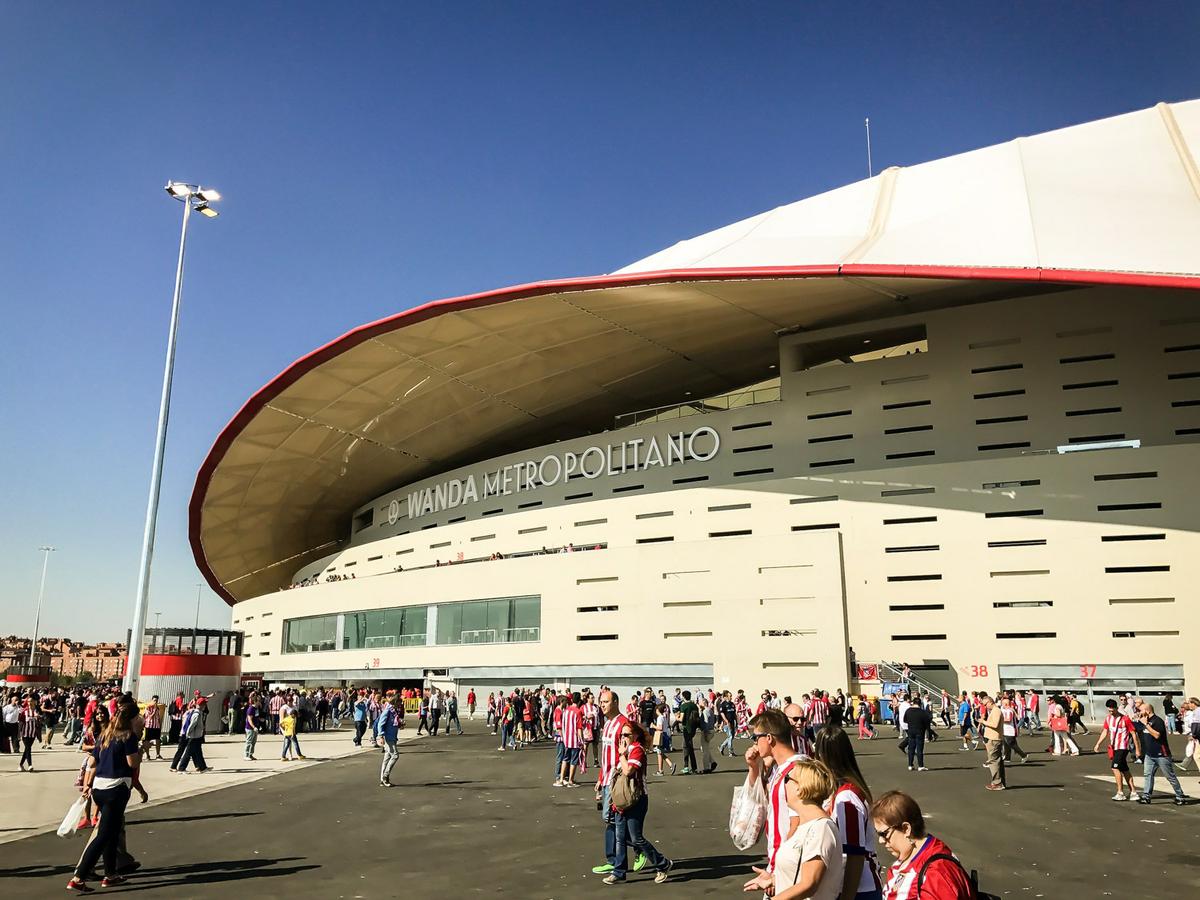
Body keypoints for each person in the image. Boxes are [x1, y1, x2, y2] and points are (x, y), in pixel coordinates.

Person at [66, 703, 142, 892]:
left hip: (100, 786)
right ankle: (79, 876)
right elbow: (132, 763)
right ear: (132, 719)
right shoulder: (128, 736)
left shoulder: (105, 734)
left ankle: (111, 874)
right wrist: (141, 750)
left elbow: (92, 760)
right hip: (116, 788)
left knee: (112, 832)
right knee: (104, 835)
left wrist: (88, 783)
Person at [743, 758, 843, 900]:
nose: (782, 785)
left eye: (786, 779)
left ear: (800, 787)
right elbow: (801, 873)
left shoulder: (821, 828)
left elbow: (809, 884)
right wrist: (775, 880)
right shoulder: (807, 826)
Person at [813, 726, 883, 900]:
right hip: (850, 885)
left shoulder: (847, 797)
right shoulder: (843, 791)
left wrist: (846, 897)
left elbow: (854, 854)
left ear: (823, 756)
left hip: (858, 889)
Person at [603, 720, 673, 884]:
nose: (623, 737)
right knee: (620, 837)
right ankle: (619, 871)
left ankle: (662, 863)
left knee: (636, 838)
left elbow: (628, 771)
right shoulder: (625, 750)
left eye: (626, 735)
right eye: (622, 734)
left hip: (637, 799)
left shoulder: (637, 750)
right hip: (621, 799)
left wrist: (621, 755)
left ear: (635, 735)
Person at [871, 791, 974, 900]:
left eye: (884, 834)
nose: (881, 841)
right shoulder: (910, 857)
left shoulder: (936, 873)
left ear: (906, 829)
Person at [744, 708, 807, 883]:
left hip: (790, 868)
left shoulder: (794, 772)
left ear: (769, 738)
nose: (755, 743)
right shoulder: (783, 769)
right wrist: (754, 767)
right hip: (783, 865)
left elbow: (799, 823)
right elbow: (758, 798)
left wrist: (777, 870)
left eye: (756, 737)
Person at [1135, 701, 1188, 805]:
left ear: (1147, 710)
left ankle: (1180, 796)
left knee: (1170, 776)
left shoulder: (1157, 721)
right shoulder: (1144, 720)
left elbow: (1157, 735)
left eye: (1140, 710)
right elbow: (1135, 728)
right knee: (1148, 775)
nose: (1139, 712)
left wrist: (1146, 724)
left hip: (1161, 754)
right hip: (1150, 755)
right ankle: (1146, 796)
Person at [1094, 698, 1140, 801]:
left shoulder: (1125, 719)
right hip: (1114, 747)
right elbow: (1105, 732)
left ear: (1116, 708)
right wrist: (1098, 744)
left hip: (1123, 747)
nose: (1111, 712)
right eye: (1109, 710)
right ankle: (1133, 792)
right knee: (1124, 769)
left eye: (1112, 710)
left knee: (1115, 768)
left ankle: (1120, 792)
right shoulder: (1108, 719)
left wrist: (1137, 749)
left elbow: (1133, 733)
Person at [979, 693, 1006, 791]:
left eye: (985, 704)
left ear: (990, 702)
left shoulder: (996, 711)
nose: (985, 707)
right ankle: (999, 782)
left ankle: (997, 783)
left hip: (994, 739)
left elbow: (995, 724)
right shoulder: (994, 711)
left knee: (993, 761)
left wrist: (983, 722)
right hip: (992, 738)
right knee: (996, 761)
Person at [376, 692, 403, 787]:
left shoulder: (393, 712)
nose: (400, 705)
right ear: (395, 702)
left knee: (387, 758)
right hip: (388, 737)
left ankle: (381, 779)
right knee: (395, 755)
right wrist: (381, 736)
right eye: (399, 703)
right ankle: (385, 776)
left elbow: (394, 723)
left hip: (393, 736)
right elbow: (380, 723)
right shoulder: (387, 711)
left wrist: (400, 724)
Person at [902, 695, 931, 771]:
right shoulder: (922, 712)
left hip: (911, 730)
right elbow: (927, 723)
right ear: (920, 704)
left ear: (913, 703)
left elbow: (905, 720)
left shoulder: (908, 710)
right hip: (920, 731)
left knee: (911, 748)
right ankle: (920, 766)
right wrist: (929, 733)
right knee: (919, 749)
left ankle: (910, 765)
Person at [678, 690, 700, 774]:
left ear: (684, 697)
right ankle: (693, 767)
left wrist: (677, 717)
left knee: (686, 747)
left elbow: (681, 719)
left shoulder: (684, 706)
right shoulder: (694, 705)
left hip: (686, 728)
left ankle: (687, 766)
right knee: (689, 747)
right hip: (693, 728)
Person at [652, 702, 677, 776]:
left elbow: (660, 728)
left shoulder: (660, 718)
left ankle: (661, 770)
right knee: (660, 752)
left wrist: (653, 726)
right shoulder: (664, 717)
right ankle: (670, 764)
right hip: (665, 735)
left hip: (661, 735)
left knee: (659, 752)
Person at [139, 696, 165, 761]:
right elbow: (149, 717)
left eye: (156, 700)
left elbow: (158, 717)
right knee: (147, 741)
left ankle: (158, 754)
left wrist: (160, 724)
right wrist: (154, 710)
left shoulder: (158, 708)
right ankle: (148, 755)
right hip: (149, 726)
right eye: (154, 700)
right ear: (152, 700)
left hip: (156, 726)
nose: (155, 702)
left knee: (158, 740)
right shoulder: (148, 707)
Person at [17, 697, 39, 771]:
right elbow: (20, 723)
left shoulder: (36, 711)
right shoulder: (24, 711)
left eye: (31, 701)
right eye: (28, 701)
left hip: (32, 733)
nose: (30, 703)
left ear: (34, 702)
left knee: (27, 749)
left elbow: (38, 722)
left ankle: (21, 764)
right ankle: (30, 765)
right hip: (25, 733)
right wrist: (19, 734)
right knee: (28, 749)